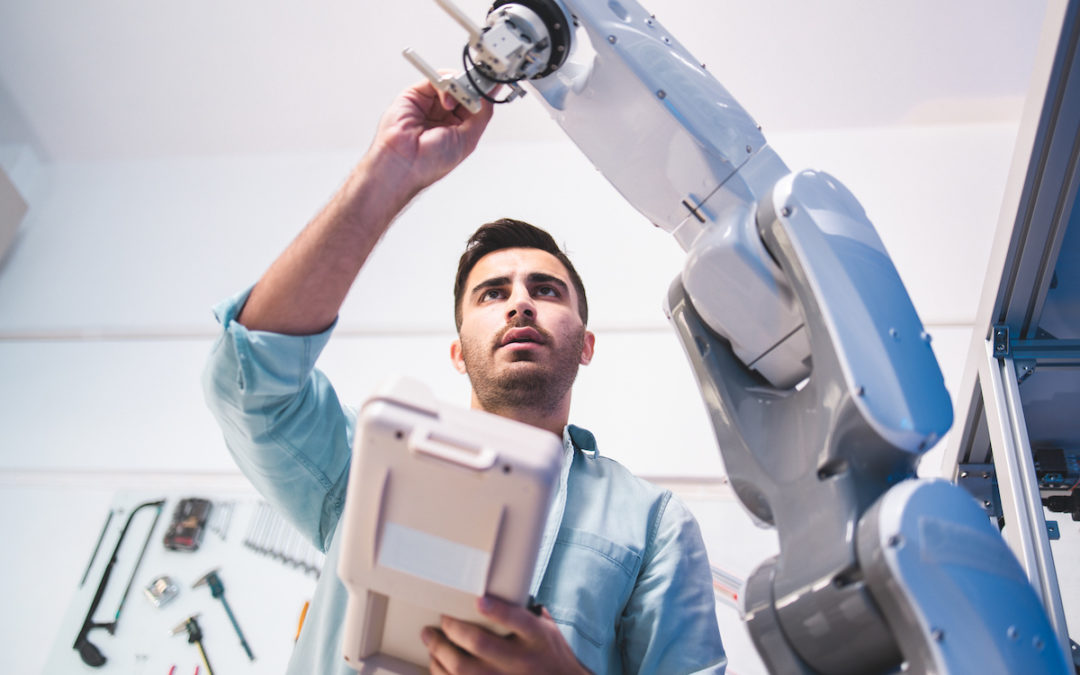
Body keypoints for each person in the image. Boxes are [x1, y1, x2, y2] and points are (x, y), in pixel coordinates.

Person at [203, 79, 726, 674]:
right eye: (492, 294)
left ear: (585, 345)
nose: (520, 304)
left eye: (546, 290)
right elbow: (249, 382)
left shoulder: (654, 524)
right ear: (457, 353)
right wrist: (389, 175)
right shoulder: (366, 462)